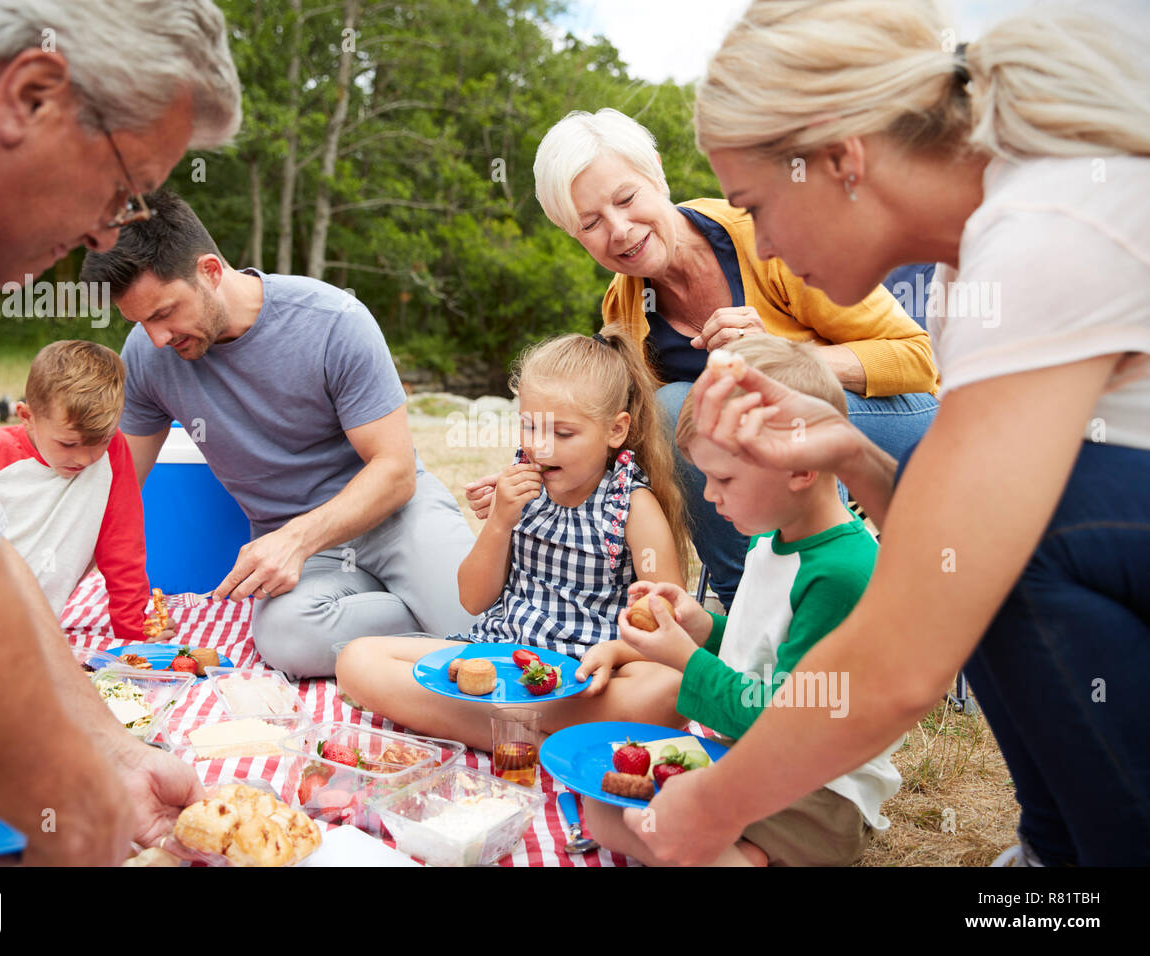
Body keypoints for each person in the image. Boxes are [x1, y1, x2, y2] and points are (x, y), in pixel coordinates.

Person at [625, 0, 1150, 866]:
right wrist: (850, 453)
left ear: (841, 159)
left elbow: (910, 653)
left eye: (756, 205)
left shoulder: (1040, 238)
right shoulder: (972, 266)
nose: (767, 249)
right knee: (981, 542)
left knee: (1015, 551)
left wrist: (713, 806)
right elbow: (945, 546)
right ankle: (1055, 850)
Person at [0, 0, 240, 864]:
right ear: (31, 95)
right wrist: (70, 799)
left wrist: (109, 748)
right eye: (122, 190)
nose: (108, 234)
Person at [466, 108, 940, 610]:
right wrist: (539, 471)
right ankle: (751, 611)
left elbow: (916, 359)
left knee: (710, 408)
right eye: (591, 223)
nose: (621, 230)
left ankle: (823, 601)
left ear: (656, 171)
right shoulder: (623, 308)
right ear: (573, 235)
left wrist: (783, 361)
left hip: (895, 418)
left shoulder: (774, 236)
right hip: (761, 452)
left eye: (627, 198)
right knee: (674, 414)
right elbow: (620, 430)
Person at [80, 190, 478, 679]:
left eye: (164, 313)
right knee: (286, 639)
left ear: (209, 271)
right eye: (140, 321)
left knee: (479, 622)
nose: (157, 337)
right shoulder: (147, 353)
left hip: (395, 518)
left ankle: (443, 617)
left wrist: (295, 538)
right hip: (308, 563)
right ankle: (434, 620)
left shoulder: (333, 321)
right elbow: (114, 487)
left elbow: (395, 473)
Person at [583, 336, 902, 866]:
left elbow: (785, 715)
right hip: (757, 760)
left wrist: (684, 662)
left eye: (724, 477)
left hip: (817, 793)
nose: (709, 495)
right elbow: (766, 645)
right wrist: (700, 627)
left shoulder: (842, 573)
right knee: (605, 808)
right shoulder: (771, 537)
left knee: (644, 824)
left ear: (801, 468)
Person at [336, 328, 691, 750]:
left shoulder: (634, 507)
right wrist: (500, 521)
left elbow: (668, 629)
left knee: (670, 688)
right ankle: (546, 737)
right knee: (356, 661)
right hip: (502, 657)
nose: (541, 448)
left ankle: (480, 725)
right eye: (530, 427)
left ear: (615, 431)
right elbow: (472, 600)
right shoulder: (519, 489)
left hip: (584, 675)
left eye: (563, 434)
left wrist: (616, 653)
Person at [0, 340, 163, 645]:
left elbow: (123, 544)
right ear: (27, 417)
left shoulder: (113, 452)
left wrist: (133, 629)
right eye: (68, 444)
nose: (86, 459)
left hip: (36, 628)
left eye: (100, 441)